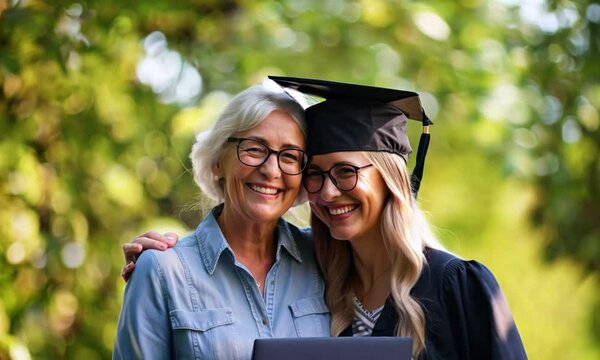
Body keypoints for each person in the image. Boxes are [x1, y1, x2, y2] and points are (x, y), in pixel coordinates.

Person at [122, 76, 527, 359]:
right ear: (219, 163)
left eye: (347, 171)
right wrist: (158, 260)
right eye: (315, 173)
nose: (329, 191)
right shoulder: (329, 269)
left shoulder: (457, 285)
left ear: (390, 180)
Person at [113, 82, 331, 360]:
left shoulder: (327, 255)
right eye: (253, 149)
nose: (271, 170)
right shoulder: (162, 271)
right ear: (218, 161)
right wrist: (147, 270)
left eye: (289, 156)